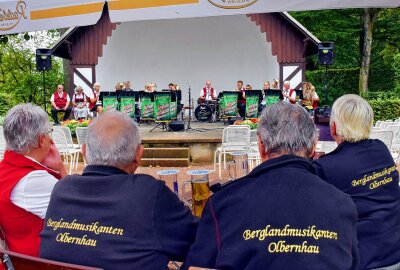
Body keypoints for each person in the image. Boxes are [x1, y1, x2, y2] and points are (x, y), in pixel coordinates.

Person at [184, 102, 359, 270]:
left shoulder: (223, 203)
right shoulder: (342, 203)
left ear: (261, 145)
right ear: (313, 146)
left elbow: (196, 266)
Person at [40, 111, 198, 270]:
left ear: (84, 151)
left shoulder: (62, 189)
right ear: (139, 154)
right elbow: (203, 240)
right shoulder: (149, 194)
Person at [313, 94, 400, 270]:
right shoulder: (380, 148)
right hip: (395, 247)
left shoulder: (326, 167)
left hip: (364, 258)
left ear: (334, 127)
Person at [0, 104, 67, 257]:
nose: (51, 139)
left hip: (18, 258)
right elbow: (82, 209)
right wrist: (61, 168)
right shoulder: (33, 181)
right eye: (49, 133)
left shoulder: (6, 168)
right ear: (42, 140)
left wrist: (57, 167)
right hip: (41, 262)